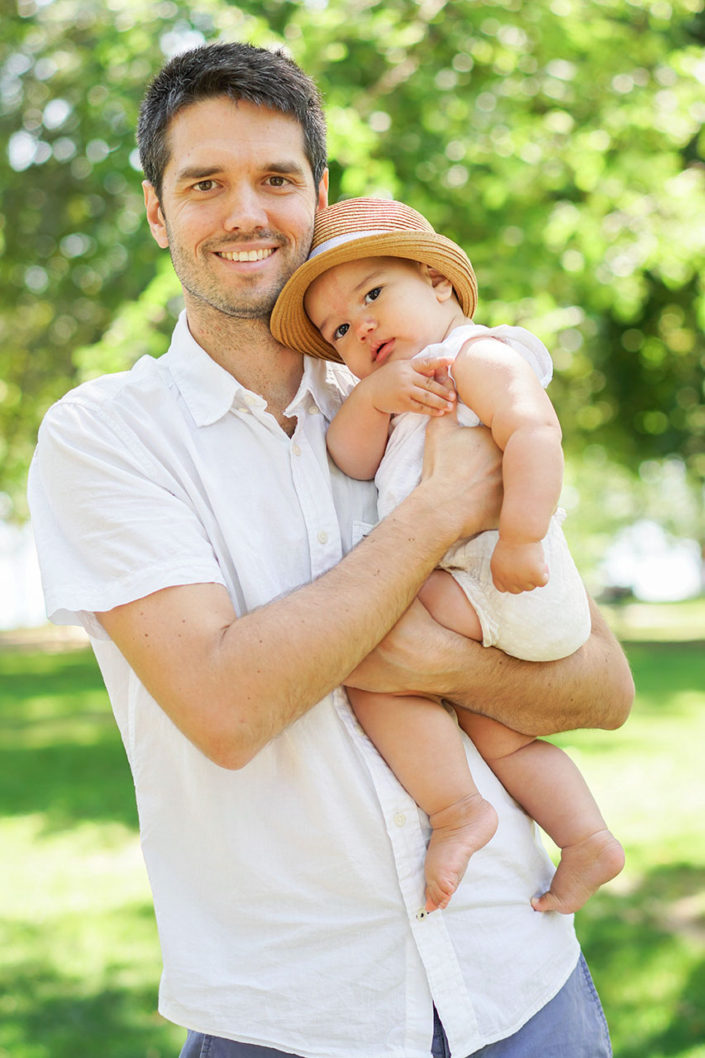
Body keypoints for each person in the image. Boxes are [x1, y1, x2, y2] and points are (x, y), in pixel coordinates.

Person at [27, 41, 633, 1058]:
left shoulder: (418, 379)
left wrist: (442, 664)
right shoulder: (106, 436)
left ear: (319, 193)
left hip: (521, 977)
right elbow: (226, 708)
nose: (246, 212)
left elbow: (604, 686)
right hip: (294, 1014)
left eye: (275, 178)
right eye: (204, 183)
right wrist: (435, 514)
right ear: (156, 211)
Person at [270, 197, 626, 917]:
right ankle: (584, 838)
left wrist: (523, 538)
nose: (360, 325)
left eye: (373, 294)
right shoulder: (397, 392)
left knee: (366, 647)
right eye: (339, 329)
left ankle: (455, 806)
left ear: (438, 283)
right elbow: (349, 456)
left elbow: (533, 432)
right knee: (503, 737)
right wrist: (372, 398)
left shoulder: (478, 354)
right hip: (480, 593)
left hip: (513, 577)